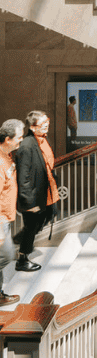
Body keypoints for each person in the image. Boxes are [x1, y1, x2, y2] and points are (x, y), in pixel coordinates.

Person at [14, 111, 58, 271]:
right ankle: (22, 259)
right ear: (33, 127)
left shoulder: (43, 139)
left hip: (46, 191)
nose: (47, 125)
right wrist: (28, 202)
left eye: (47, 120)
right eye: (42, 123)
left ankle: (21, 237)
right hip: (33, 196)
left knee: (52, 212)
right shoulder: (26, 146)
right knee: (32, 226)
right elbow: (23, 177)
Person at [0, 119, 24, 306]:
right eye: (19, 138)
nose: (21, 141)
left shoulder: (7, 156)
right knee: (7, 255)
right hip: (0, 221)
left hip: (5, 218)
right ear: (7, 139)